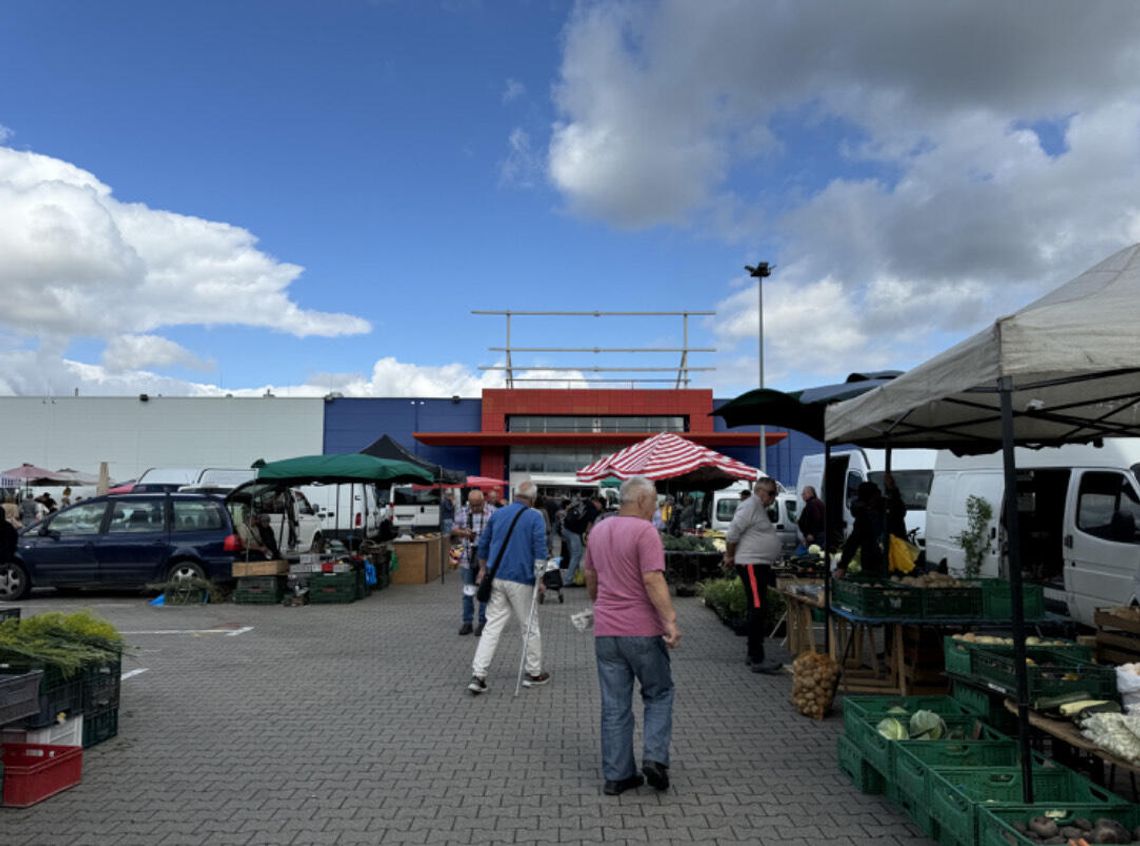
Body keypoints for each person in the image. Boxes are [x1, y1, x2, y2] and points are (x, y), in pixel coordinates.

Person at [585, 475, 680, 796]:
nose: (656, 508)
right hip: (642, 630)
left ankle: (618, 775)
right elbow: (653, 579)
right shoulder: (645, 531)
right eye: (654, 502)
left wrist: (600, 604)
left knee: (614, 705)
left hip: (606, 632)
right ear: (641, 500)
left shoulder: (597, 530)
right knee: (659, 693)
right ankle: (654, 758)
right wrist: (669, 620)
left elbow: (590, 576)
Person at [468, 480, 549, 695]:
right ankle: (534, 672)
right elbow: (540, 550)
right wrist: (540, 579)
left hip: (497, 576)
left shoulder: (497, 514)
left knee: (492, 626)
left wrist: (483, 569)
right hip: (521, 578)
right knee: (529, 626)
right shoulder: (535, 517)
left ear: (515, 496)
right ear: (532, 498)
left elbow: (484, 543)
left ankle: (479, 674)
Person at [724, 478, 782, 674]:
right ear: (761, 491)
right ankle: (757, 658)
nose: (774, 498)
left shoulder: (756, 507)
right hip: (752, 564)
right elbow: (732, 533)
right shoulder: (751, 505)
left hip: (757, 564)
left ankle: (753, 653)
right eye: (772, 493)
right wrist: (730, 555)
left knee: (757, 607)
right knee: (758, 607)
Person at [452, 489, 495, 636]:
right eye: (473, 505)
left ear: (484, 501)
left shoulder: (493, 512)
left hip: (486, 559)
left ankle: (483, 622)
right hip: (467, 557)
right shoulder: (462, 512)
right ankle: (467, 622)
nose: (475, 508)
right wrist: (464, 533)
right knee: (468, 591)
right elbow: (453, 529)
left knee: (484, 591)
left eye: (478, 505)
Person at [837, 481, 887, 578]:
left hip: (875, 560)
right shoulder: (883, 508)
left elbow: (853, 542)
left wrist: (842, 566)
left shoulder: (866, 514)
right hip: (885, 559)